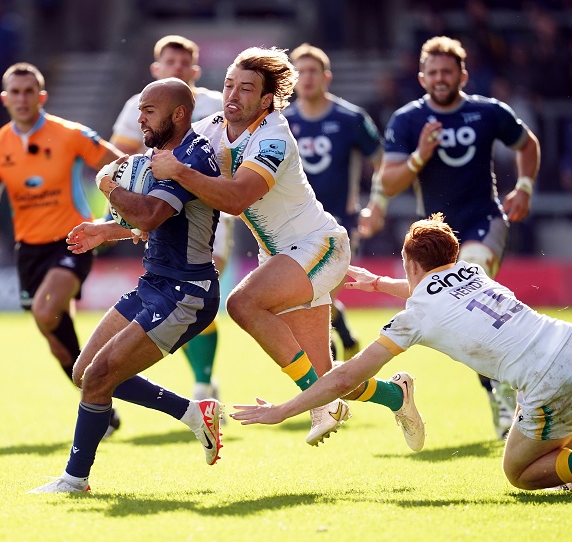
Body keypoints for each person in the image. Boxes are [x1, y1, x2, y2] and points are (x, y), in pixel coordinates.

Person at [233, 213, 572, 493]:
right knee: (554, 440)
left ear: (409, 262)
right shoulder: (470, 270)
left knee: (520, 474)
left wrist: (283, 410)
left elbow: (345, 377)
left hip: (550, 377)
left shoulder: (416, 315)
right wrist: (380, 283)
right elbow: (431, 290)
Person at [151, 47, 412, 447]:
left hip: (318, 245)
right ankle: (397, 395)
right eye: (228, 86)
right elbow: (168, 159)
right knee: (326, 377)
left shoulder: (273, 137)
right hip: (281, 256)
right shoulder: (214, 127)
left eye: (246, 89)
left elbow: (237, 199)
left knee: (242, 304)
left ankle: (318, 403)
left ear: (267, 100)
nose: (232, 96)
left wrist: (180, 171)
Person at [29, 78, 223, 493]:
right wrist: (104, 231)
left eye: (148, 111)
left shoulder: (191, 158)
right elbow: (146, 222)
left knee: (100, 375)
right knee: (86, 372)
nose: (140, 119)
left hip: (186, 293)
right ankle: (193, 413)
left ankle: (74, 480)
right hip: (156, 283)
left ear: (177, 114)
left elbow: (151, 215)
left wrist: (109, 187)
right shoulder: (159, 155)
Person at [377, 36, 541, 439]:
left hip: (485, 219)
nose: (440, 78)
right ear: (420, 77)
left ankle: (508, 394)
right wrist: (419, 155)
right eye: (432, 72)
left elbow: (528, 144)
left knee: (470, 278)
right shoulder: (407, 120)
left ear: (462, 75)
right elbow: (388, 181)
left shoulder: (487, 112)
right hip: (436, 235)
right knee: (466, 318)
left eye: (447, 71)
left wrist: (524, 186)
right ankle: (500, 390)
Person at [0, 62, 123, 435]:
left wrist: (112, 214)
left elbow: (120, 163)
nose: (22, 99)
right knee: (55, 340)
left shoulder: (70, 134)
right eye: (14, 93)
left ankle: (96, 390)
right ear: (4, 99)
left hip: (72, 239)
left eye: (28, 92)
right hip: (29, 249)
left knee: (46, 307)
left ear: (41, 96)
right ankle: (98, 401)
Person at [111, 34, 231, 402]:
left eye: (183, 63)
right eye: (170, 62)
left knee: (201, 278)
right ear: (155, 68)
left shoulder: (214, 103)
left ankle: (201, 382)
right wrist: (119, 210)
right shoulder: (138, 104)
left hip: (209, 205)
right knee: (176, 287)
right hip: (158, 205)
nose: (177, 68)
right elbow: (121, 156)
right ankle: (200, 383)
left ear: (194, 70)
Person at [285, 42, 385, 361]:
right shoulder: (281, 122)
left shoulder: (350, 118)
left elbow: (382, 161)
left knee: (318, 299)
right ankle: (339, 341)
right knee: (309, 300)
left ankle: (325, 381)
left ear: (326, 77)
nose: (307, 77)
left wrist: (377, 203)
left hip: (341, 223)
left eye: (313, 71)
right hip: (292, 225)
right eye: (299, 71)